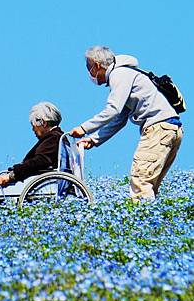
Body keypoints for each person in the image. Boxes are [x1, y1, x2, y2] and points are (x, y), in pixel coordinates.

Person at [69, 46, 183, 200]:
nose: (89, 74)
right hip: (171, 128)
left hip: (157, 129)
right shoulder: (127, 74)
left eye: (89, 68)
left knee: (140, 181)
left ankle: (144, 221)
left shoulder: (119, 74)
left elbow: (113, 109)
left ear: (97, 65)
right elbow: (119, 119)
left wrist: (84, 128)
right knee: (149, 185)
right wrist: (94, 139)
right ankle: (153, 218)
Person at [0, 102, 64, 203]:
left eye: (33, 125)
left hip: (36, 183)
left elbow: (39, 162)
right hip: (38, 180)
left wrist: (11, 176)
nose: (33, 129)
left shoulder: (53, 139)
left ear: (43, 123)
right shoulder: (58, 137)